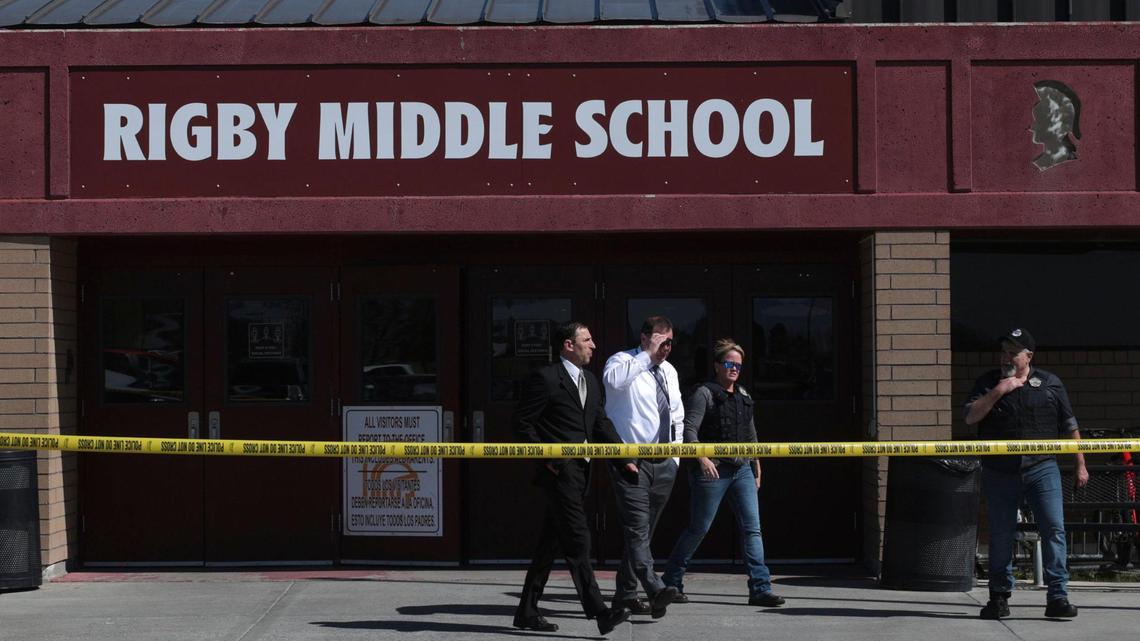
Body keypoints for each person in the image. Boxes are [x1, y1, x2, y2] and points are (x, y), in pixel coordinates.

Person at [512, 321, 633, 636]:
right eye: (587, 339)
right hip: (559, 472)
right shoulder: (546, 378)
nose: (593, 345)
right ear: (569, 344)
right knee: (579, 540)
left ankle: (526, 611)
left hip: (581, 473)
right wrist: (550, 459)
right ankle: (599, 612)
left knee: (549, 545)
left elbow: (601, 425)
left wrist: (624, 460)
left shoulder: (591, 381)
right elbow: (522, 424)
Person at [965, 328, 1089, 620]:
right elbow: (971, 417)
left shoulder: (1049, 383)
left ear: (1028, 356)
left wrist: (1080, 464)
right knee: (1001, 534)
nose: (1006, 357)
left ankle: (1058, 596)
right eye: (1003, 351)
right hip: (1000, 469)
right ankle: (999, 597)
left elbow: (1070, 426)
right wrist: (1000, 390)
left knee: (1054, 530)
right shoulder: (987, 382)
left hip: (1042, 467)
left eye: (1013, 352)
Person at [662, 339, 785, 607]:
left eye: (738, 365)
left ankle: (760, 589)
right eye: (729, 364)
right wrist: (702, 458)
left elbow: (751, 437)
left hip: (741, 470)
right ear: (717, 366)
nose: (734, 369)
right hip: (713, 471)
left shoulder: (744, 396)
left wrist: (757, 465)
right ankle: (671, 581)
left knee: (753, 529)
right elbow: (688, 430)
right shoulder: (704, 393)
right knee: (698, 528)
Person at [601, 315, 683, 618]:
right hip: (631, 462)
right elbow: (613, 382)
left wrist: (675, 457)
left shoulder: (670, 372)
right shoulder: (621, 362)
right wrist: (647, 356)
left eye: (670, 341)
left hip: (664, 462)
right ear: (645, 337)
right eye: (662, 340)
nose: (667, 347)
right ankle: (653, 587)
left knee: (644, 533)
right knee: (636, 530)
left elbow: (676, 414)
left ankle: (625, 595)